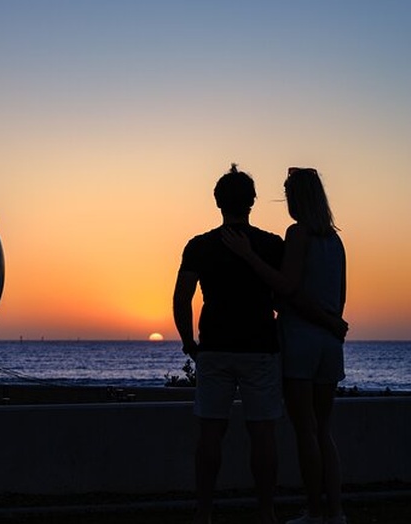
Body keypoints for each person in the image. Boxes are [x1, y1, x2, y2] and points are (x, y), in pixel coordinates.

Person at [220, 167, 348, 524]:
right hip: (328, 344)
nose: (285, 198)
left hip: (300, 341)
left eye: (288, 192)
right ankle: (336, 511)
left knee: (305, 429)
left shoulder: (298, 233)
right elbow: (338, 299)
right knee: (324, 430)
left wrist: (249, 257)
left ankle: (315, 510)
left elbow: (288, 287)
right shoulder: (335, 241)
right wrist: (330, 323)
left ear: (299, 197)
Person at [173, 163, 284, 524]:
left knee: (210, 432)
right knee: (262, 432)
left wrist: (189, 341)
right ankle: (265, 513)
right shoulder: (270, 244)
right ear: (252, 201)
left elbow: (182, 296)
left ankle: (204, 513)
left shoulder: (200, 246)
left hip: (215, 348)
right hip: (260, 349)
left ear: (218, 201)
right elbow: (287, 293)